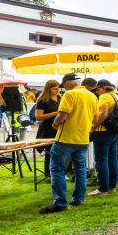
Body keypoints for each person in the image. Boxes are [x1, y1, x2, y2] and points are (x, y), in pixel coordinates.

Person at [40, 74, 98, 214]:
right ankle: (78, 199)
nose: (63, 88)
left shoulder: (70, 94)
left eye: (64, 85)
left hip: (65, 139)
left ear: (68, 83)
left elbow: (62, 115)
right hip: (83, 139)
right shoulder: (92, 96)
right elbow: (95, 119)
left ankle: (60, 203)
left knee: (57, 170)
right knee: (80, 169)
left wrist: (55, 124)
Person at [89, 79, 118, 196]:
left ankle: (103, 189)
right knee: (112, 158)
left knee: (101, 160)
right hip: (114, 131)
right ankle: (112, 186)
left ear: (102, 88)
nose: (97, 92)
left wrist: (94, 126)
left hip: (102, 132)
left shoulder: (104, 97)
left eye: (97, 89)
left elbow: (103, 113)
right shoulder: (117, 96)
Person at [34, 79, 61, 175]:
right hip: (47, 129)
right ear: (48, 89)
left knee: (59, 151)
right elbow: (38, 117)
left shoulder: (60, 98)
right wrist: (56, 113)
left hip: (59, 128)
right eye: (54, 89)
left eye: (58, 88)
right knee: (50, 151)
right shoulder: (42, 100)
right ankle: (49, 173)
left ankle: (59, 172)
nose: (57, 90)